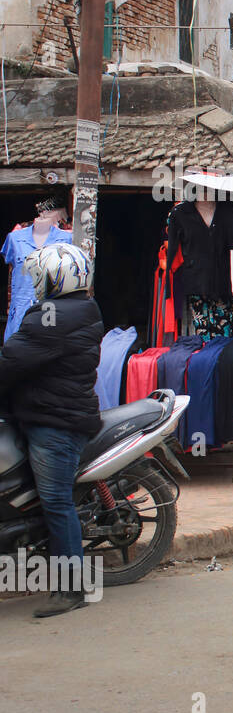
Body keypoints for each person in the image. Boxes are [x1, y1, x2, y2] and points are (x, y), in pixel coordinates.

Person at [0, 243, 102, 617]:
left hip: (55, 423)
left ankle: (72, 588)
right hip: (54, 412)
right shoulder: (82, 307)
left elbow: (10, 363)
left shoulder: (51, 317)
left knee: (56, 501)